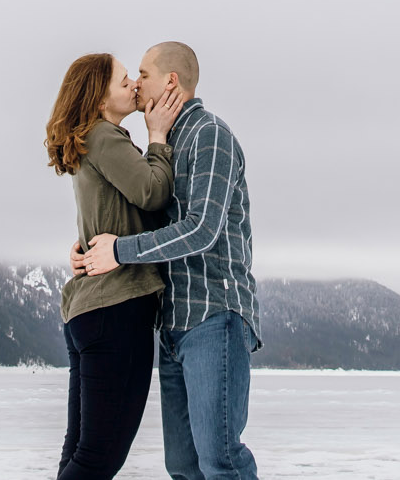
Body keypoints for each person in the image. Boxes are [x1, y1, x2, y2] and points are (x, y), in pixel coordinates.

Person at [76, 41, 260, 480]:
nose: (136, 84)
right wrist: (87, 247)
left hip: (215, 314)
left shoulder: (209, 135)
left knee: (221, 459)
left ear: (170, 81)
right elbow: (145, 217)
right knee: (182, 465)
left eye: (143, 74)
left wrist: (118, 251)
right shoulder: (166, 144)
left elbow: (201, 230)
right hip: (174, 325)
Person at [46, 52, 185, 480]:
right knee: (98, 458)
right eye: (124, 80)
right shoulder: (106, 136)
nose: (133, 86)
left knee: (81, 452)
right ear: (99, 98)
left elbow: (107, 214)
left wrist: (81, 247)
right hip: (116, 308)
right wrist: (158, 137)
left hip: (89, 312)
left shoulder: (90, 140)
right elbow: (151, 193)